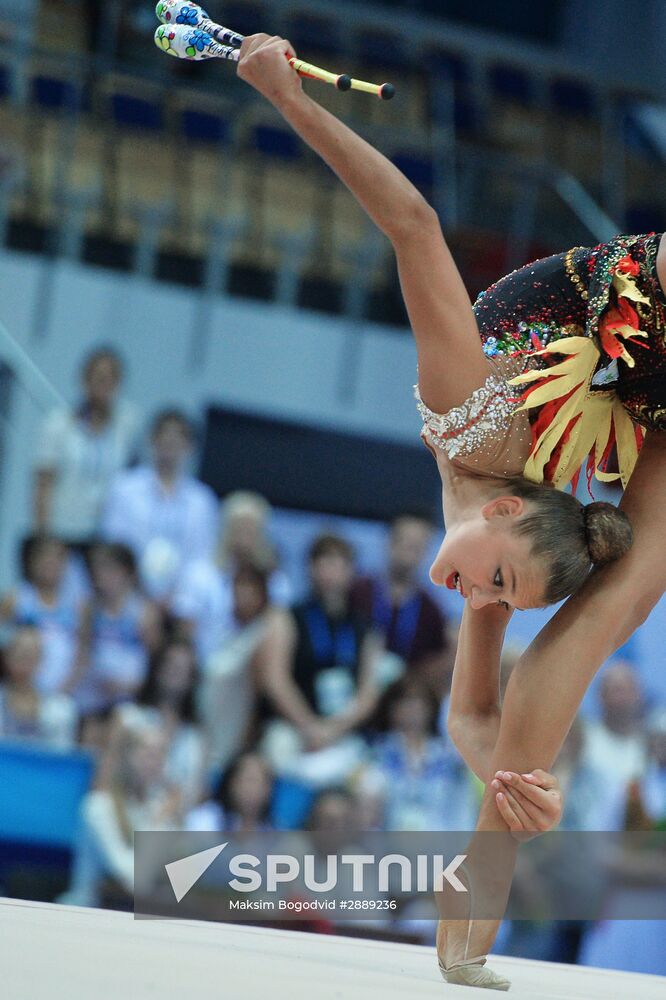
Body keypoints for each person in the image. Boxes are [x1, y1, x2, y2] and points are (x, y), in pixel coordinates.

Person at [235, 35, 666, 988]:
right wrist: (527, 784)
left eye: (495, 593)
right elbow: (480, 717)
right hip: (643, 362)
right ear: (512, 511)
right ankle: (481, 901)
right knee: (621, 602)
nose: (478, 599)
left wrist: (289, 98)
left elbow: (417, 227)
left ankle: (475, 897)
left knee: (621, 603)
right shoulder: (491, 499)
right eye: (499, 588)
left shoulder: (464, 419)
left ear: (506, 507)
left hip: (633, 315)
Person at [258, 534, 382, 805]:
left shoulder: (365, 627)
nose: (332, 571)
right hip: (294, 729)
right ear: (311, 568)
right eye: (325, 562)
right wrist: (309, 727)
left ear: (351, 572)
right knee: (277, 751)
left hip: (343, 731)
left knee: (373, 786)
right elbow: (275, 680)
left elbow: (368, 694)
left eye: (340, 564)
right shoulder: (287, 617)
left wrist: (333, 730)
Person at [101, 409, 219, 599]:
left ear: (189, 446)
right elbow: (114, 544)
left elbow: (201, 558)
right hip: (127, 593)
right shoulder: (125, 488)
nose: (170, 444)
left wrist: (174, 596)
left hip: (181, 598)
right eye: (165, 437)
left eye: (177, 439)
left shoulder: (202, 500)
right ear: (152, 440)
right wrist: (139, 590)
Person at [33, 347, 140, 546]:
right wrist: (43, 535)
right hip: (64, 529)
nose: (104, 385)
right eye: (99, 378)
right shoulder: (59, 424)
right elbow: (44, 483)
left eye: (110, 379)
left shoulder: (126, 425)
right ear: (84, 379)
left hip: (106, 533)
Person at [172, 490, 292, 661]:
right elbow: (185, 631)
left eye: (251, 527)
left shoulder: (276, 582)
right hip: (205, 661)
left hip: (254, 665)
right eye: (239, 525)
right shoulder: (199, 574)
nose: (245, 533)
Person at [351, 512, 450, 694]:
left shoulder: (431, 610)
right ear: (389, 542)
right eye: (405, 542)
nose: (410, 552)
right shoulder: (357, 592)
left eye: (418, 546)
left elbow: (436, 661)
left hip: (401, 698)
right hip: (352, 689)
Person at [68, 543, 162, 717]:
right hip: (94, 692)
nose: (102, 575)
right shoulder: (89, 609)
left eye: (109, 569)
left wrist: (135, 688)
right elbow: (81, 656)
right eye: (98, 569)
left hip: (131, 693)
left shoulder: (144, 611)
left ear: (127, 573)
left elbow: (155, 662)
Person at [0, 535, 83, 695]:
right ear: (32, 563)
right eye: (44, 559)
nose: (50, 565)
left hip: (63, 688)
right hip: (20, 688)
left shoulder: (77, 604)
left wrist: (66, 689)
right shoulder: (17, 597)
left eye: (56, 560)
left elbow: (83, 652)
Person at [0, 626, 77, 748]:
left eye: (31, 654)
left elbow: (61, 752)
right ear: (6, 656)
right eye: (21, 653)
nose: (25, 660)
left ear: (41, 658)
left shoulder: (60, 707)